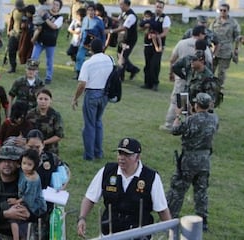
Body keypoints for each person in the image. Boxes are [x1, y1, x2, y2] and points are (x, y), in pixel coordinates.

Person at [77, 137, 171, 238]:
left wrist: (171, 233)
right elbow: (90, 198)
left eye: (127, 154)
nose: (121, 158)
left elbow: (162, 209)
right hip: (109, 233)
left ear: (138, 157)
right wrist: (82, 218)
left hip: (139, 235)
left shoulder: (151, 178)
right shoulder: (107, 171)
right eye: (120, 153)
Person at [166, 93, 218, 232]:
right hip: (205, 160)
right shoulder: (214, 119)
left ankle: (170, 218)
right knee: (201, 191)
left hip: (189, 160)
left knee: (178, 189)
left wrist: (178, 116)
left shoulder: (190, 120)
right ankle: (203, 220)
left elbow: (175, 130)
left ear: (196, 104)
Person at [159, 26, 212, 131]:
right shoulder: (205, 49)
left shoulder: (182, 43)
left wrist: (180, 75)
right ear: (200, 34)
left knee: (177, 101)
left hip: (183, 80)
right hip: (200, 83)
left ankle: (170, 124)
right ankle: (196, 126)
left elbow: (173, 60)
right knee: (198, 104)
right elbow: (210, 63)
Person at [72, 39, 113, 161]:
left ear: (91, 48)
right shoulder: (110, 59)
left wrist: (75, 97)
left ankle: (89, 155)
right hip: (105, 94)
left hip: (92, 93)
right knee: (98, 122)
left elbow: (82, 84)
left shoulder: (88, 63)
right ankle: (98, 152)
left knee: (89, 125)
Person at [9, 149, 47, 240]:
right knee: (12, 215)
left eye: (29, 164)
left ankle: (18, 237)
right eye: (24, 163)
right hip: (24, 200)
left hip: (34, 204)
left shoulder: (33, 179)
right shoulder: (23, 171)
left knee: (15, 216)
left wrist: (16, 201)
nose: (25, 166)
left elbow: (29, 197)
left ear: (34, 166)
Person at [30, 0, 64, 84]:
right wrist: (34, 38)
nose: (54, 6)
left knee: (49, 60)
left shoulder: (60, 17)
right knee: (34, 58)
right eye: (53, 4)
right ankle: (32, 75)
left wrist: (45, 17)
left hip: (51, 42)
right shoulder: (44, 12)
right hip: (40, 41)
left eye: (57, 5)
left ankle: (48, 77)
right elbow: (38, 25)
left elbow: (54, 26)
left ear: (59, 8)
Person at [141, 0, 170, 91]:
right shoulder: (151, 17)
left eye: (160, 7)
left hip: (158, 45)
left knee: (155, 64)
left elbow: (165, 33)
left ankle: (155, 83)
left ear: (163, 8)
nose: (158, 9)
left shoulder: (165, 18)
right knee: (148, 64)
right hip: (148, 44)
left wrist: (156, 36)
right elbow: (142, 26)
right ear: (155, 7)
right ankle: (147, 83)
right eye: (157, 7)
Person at [209, 3, 241, 86]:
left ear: (228, 11)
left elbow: (237, 37)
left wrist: (236, 49)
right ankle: (209, 86)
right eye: (221, 10)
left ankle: (219, 88)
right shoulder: (215, 21)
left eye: (224, 10)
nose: (222, 12)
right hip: (214, 49)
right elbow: (209, 34)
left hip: (226, 50)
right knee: (210, 69)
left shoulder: (233, 23)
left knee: (222, 71)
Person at [107, 0, 139, 81]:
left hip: (129, 40)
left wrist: (111, 31)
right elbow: (119, 20)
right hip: (122, 38)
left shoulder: (131, 16)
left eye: (121, 4)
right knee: (119, 55)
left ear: (127, 5)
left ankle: (120, 77)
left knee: (123, 57)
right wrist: (108, 17)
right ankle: (133, 69)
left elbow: (124, 27)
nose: (120, 6)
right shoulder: (123, 13)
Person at [26, 88, 64, 155]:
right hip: (32, 148)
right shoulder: (30, 114)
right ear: (36, 100)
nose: (43, 101)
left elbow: (59, 135)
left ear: (50, 101)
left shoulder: (55, 115)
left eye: (46, 99)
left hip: (50, 150)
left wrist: (43, 143)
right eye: (40, 99)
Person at [74, 3, 105, 80]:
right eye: (89, 10)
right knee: (79, 57)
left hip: (94, 43)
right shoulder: (84, 19)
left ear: (95, 11)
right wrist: (79, 38)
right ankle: (79, 74)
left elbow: (102, 33)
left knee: (94, 60)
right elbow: (82, 30)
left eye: (92, 10)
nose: (90, 12)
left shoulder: (99, 21)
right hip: (84, 42)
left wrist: (103, 44)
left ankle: (93, 75)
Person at [7, 0, 25, 73]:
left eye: (21, 8)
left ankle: (29, 67)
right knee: (11, 50)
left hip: (23, 35)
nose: (19, 9)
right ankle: (13, 66)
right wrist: (9, 31)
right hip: (14, 33)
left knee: (24, 52)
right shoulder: (14, 11)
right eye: (18, 8)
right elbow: (11, 21)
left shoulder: (26, 12)